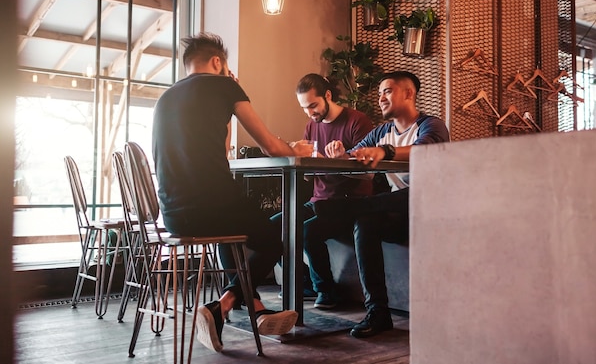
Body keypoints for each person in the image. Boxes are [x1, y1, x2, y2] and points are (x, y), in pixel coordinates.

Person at [152, 33, 313, 352]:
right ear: (217, 62)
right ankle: (222, 305)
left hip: (173, 217)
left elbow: (222, 150)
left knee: (233, 228)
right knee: (277, 239)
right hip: (211, 206)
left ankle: (255, 307)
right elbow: (269, 144)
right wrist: (295, 148)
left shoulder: (166, 97)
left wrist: (225, 110)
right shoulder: (225, 85)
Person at [325, 70, 450, 338]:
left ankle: (344, 210)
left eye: (388, 91)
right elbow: (355, 157)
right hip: (398, 212)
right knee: (365, 223)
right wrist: (341, 155)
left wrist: (387, 151)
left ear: (408, 93)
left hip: (431, 207)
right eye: (379, 92)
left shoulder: (431, 125)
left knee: (377, 204)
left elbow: (424, 151)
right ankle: (378, 313)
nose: (381, 97)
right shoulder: (382, 131)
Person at [271, 73, 374, 309]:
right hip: (319, 200)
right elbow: (309, 175)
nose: (309, 113)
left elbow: (368, 172)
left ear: (328, 95)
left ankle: (327, 291)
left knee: (307, 231)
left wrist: (340, 158)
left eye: (313, 105)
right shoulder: (311, 125)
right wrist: (297, 156)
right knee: (273, 226)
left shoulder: (357, 121)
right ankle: (305, 281)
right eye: (304, 108)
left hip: (349, 202)